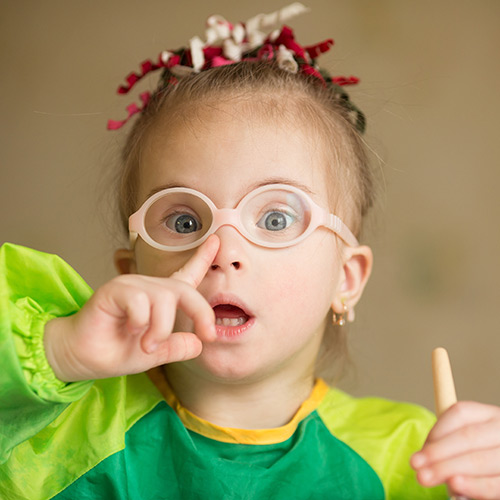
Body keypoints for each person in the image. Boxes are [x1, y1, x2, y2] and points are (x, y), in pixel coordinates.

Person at [1, 4, 499, 499]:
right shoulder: (51, 423)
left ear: (345, 279)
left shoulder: (413, 462)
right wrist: (56, 352)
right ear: (134, 273)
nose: (223, 251)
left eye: (276, 219)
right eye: (184, 221)